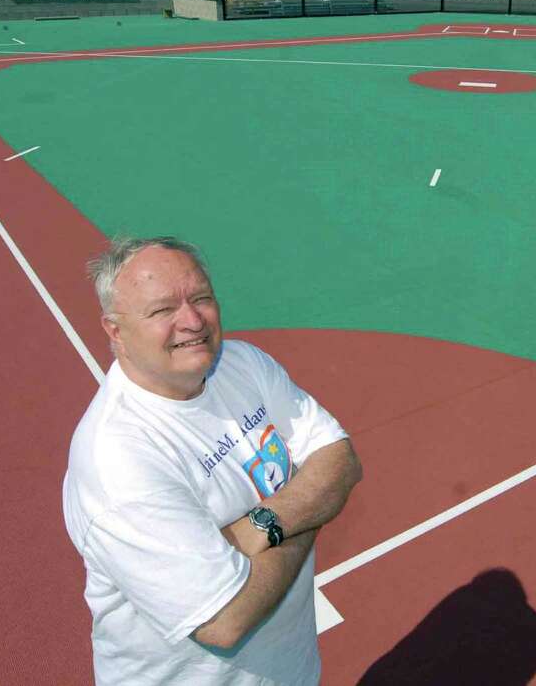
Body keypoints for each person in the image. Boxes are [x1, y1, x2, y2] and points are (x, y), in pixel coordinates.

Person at [63, 237, 362, 685]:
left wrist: (263, 525)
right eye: (163, 310)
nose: (191, 320)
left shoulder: (242, 364)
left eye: (201, 298)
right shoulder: (119, 460)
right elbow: (225, 620)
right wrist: (310, 507)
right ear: (116, 331)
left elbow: (341, 460)